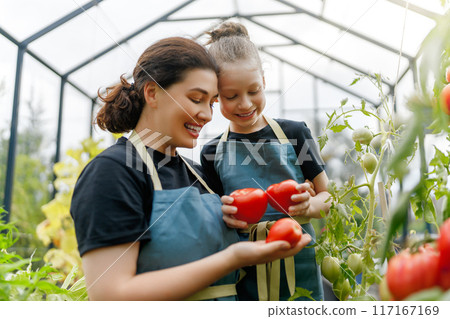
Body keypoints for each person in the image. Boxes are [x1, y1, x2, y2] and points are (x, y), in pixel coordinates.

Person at [70, 37, 311, 301]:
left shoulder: (201, 174)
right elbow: (110, 296)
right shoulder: (113, 172)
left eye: (212, 102)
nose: (208, 115)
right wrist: (231, 258)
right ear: (152, 93)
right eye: (196, 99)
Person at [200, 22, 331, 301]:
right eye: (231, 96)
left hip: (299, 256)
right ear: (214, 97)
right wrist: (222, 214)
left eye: (254, 91)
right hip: (245, 264)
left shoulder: (295, 134)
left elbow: (328, 197)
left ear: (264, 83)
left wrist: (309, 206)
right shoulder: (211, 152)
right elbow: (214, 217)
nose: (245, 104)